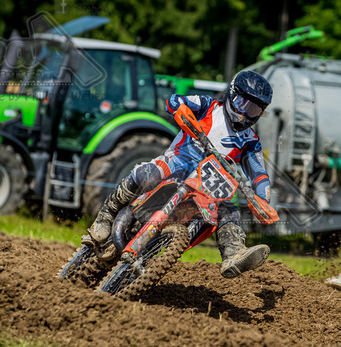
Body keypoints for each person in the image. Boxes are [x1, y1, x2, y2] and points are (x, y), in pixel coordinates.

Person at [89, 70, 274, 278]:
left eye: (254, 109)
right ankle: (107, 214)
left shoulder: (251, 142)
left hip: (207, 184)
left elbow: (259, 174)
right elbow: (175, 100)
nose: (246, 113)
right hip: (177, 164)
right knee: (146, 174)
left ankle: (233, 253)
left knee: (229, 209)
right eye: (242, 104)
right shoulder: (208, 106)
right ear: (232, 94)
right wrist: (180, 108)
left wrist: (262, 198)